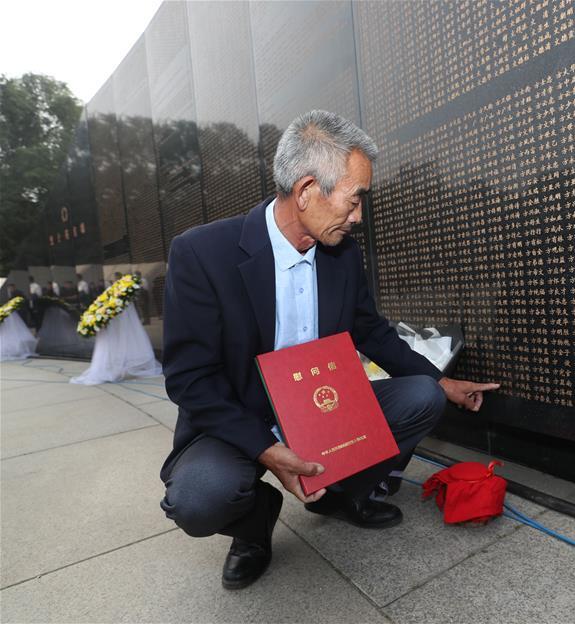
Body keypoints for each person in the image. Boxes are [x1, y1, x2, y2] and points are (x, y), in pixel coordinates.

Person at [160, 110, 499, 590]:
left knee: (422, 396)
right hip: (241, 416)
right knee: (198, 500)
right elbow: (190, 379)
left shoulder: (342, 254)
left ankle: (342, 493)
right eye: (354, 199)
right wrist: (268, 451)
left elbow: (371, 332)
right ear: (305, 191)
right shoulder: (201, 254)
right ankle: (254, 526)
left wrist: (443, 382)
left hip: (321, 406)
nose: (358, 216)